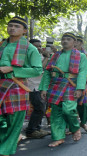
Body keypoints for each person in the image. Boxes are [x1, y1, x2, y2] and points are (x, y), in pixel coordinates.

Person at [0, 17, 42, 155]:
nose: (12, 28)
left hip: (17, 86)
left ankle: (5, 151)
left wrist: (12, 69)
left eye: (17, 26)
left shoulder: (30, 48)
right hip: (1, 85)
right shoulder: (2, 44)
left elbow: (37, 69)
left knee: (14, 121)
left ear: (24, 30)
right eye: (10, 25)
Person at [39, 32, 87, 147]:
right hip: (55, 85)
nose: (65, 41)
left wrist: (80, 88)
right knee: (56, 112)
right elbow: (47, 72)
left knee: (68, 110)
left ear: (74, 42)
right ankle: (58, 137)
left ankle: (75, 128)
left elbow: (82, 72)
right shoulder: (55, 55)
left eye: (68, 39)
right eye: (63, 39)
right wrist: (43, 88)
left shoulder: (81, 56)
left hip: (71, 85)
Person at [25, 39, 51, 138]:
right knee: (39, 108)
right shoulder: (29, 56)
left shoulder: (40, 56)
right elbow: (39, 69)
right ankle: (31, 131)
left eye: (40, 46)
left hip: (41, 86)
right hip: (32, 86)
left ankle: (37, 128)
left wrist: (49, 55)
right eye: (36, 46)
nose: (38, 48)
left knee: (42, 108)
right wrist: (47, 57)